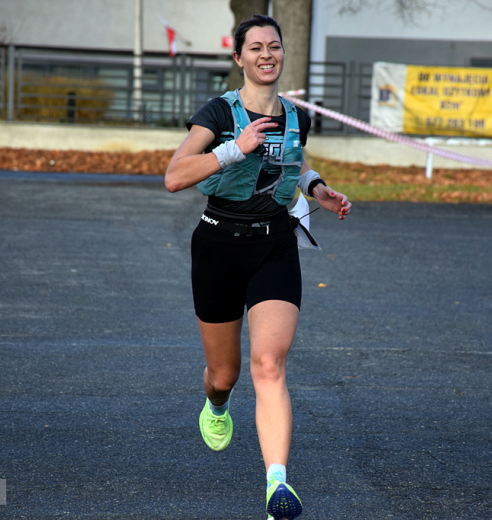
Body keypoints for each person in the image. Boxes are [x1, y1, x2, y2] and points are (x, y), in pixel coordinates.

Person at [165, 14, 351, 520]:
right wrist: (233, 148)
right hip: (218, 247)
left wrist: (317, 189)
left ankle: (277, 487)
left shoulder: (296, 115)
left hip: (274, 245)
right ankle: (217, 403)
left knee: (269, 365)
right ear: (239, 58)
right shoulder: (218, 113)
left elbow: (289, 163)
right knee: (224, 374)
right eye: (256, 48)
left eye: (274, 46)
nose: (267, 54)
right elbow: (175, 176)